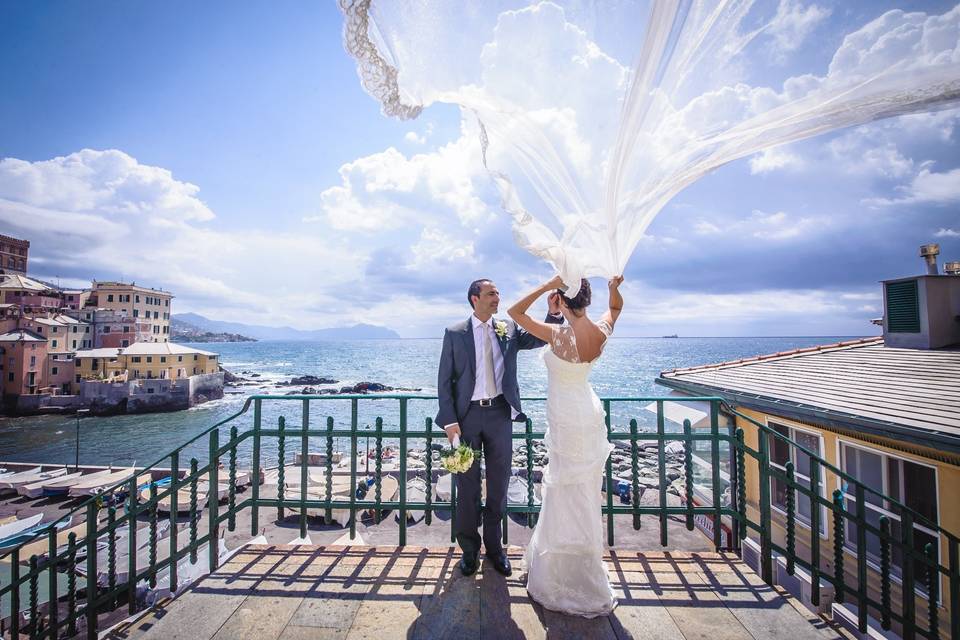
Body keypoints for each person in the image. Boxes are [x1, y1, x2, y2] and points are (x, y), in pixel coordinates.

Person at [507, 274, 624, 618]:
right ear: (585, 302)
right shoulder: (601, 329)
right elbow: (615, 307)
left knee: (562, 488)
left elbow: (516, 313)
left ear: (563, 300)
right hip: (587, 412)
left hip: (566, 417)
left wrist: (547, 287)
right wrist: (613, 288)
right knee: (584, 489)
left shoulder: (558, 334)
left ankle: (560, 571)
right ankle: (583, 565)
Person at [436, 278, 563, 577]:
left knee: (499, 485)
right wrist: (450, 421)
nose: (497, 298)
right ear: (474, 299)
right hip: (466, 418)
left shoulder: (508, 328)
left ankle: (495, 549)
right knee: (466, 488)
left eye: (498, 293)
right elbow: (444, 381)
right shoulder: (455, 333)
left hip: (500, 415)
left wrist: (553, 315)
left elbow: (538, 339)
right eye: (491, 293)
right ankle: (469, 550)